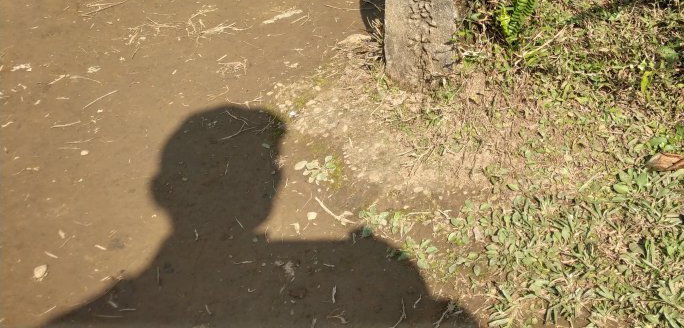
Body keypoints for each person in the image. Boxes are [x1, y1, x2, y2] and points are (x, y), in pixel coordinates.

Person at [49, 106, 475, 327]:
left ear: (158, 190)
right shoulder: (391, 267)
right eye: (272, 165)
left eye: (271, 163)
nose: (276, 175)